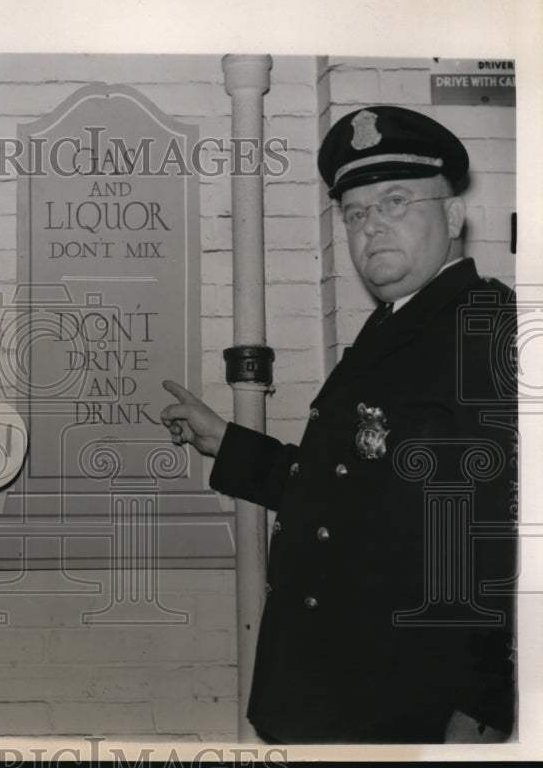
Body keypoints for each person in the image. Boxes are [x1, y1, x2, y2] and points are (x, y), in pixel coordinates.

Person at [161, 106, 517, 744]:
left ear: (454, 217)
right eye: (356, 214)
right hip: (345, 688)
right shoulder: (398, 322)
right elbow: (348, 490)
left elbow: (505, 534)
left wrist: (483, 704)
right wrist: (226, 440)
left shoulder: (485, 327)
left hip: (408, 702)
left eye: (396, 201)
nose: (372, 227)